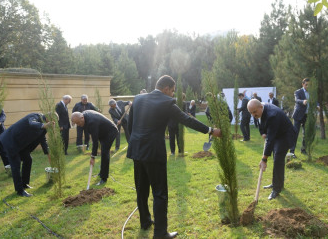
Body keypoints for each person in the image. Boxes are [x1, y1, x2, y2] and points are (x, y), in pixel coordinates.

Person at [127, 75, 221, 239]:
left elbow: (130, 124)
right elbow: (187, 120)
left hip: (136, 150)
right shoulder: (167, 102)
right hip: (154, 153)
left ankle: (145, 221)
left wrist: (133, 142)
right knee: (159, 193)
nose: (173, 95)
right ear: (166, 89)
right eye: (172, 91)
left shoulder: (138, 98)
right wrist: (210, 130)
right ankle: (161, 233)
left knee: (141, 189)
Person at [247, 99, 296, 200]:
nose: (253, 115)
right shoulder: (258, 110)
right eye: (251, 113)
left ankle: (276, 189)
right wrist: (262, 133)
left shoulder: (272, 115)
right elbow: (260, 123)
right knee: (277, 159)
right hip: (277, 133)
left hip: (285, 135)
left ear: (261, 107)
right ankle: (277, 183)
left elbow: (270, 139)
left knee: (278, 159)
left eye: (254, 112)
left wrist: (264, 159)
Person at [0, 113, 53, 197]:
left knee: (28, 159)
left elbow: (42, 139)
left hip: (21, 144)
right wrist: (43, 125)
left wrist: (48, 152)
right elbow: (31, 123)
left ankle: (25, 184)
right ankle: (20, 191)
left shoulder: (45, 126)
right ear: (48, 118)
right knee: (16, 164)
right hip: (11, 141)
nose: (54, 124)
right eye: (53, 121)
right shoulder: (35, 116)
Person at [71, 110, 118, 185]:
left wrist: (92, 157)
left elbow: (95, 141)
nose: (78, 125)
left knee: (105, 153)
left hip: (110, 132)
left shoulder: (92, 122)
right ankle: (102, 173)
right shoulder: (84, 115)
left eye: (78, 123)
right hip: (102, 132)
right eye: (76, 123)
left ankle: (104, 178)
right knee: (103, 152)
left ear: (82, 118)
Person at [290, 78, 310, 157]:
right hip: (298, 115)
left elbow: (315, 101)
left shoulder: (311, 92)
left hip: (307, 115)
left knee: (306, 134)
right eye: (306, 85)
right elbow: (297, 100)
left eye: (309, 85)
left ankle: (303, 149)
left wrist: (317, 105)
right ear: (303, 84)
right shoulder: (298, 92)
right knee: (295, 133)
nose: (308, 86)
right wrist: (303, 101)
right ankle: (292, 152)